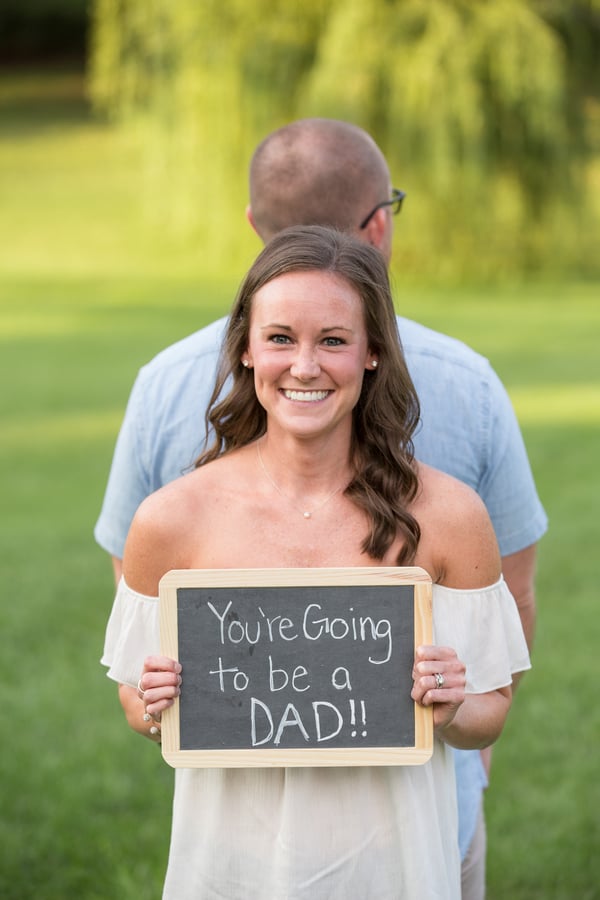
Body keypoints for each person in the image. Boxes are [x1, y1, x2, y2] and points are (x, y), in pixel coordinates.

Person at [96, 119, 547, 897]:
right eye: (280, 338)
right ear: (246, 348)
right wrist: (155, 696)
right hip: (228, 867)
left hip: (399, 866)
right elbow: (138, 704)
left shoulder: (449, 515)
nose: (305, 366)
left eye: (334, 340)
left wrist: (449, 701)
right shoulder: (170, 520)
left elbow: (490, 711)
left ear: (373, 352)